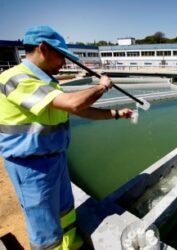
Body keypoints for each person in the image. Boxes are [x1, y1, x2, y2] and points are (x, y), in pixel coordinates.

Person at [0, 25, 133, 250]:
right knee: (44, 226)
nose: (64, 62)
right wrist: (102, 87)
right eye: (61, 56)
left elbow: (80, 110)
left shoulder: (47, 83)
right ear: (43, 49)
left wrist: (118, 114)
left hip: (55, 159)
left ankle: (70, 245)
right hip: (31, 167)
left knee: (65, 212)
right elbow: (73, 103)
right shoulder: (16, 79)